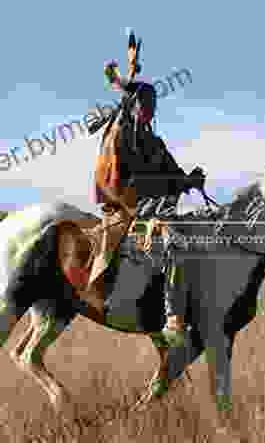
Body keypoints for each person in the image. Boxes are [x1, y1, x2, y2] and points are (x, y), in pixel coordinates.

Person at [87, 30, 205, 347]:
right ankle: (172, 317)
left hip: (154, 208)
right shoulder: (119, 136)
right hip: (128, 209)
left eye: (153, 105)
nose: (150, 111)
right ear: (134, 105)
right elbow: (114, 182)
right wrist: (145, 200)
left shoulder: (155, 142)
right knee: (175, 242)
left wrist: (190, 180)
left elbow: (172, 173)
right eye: (145, 105)